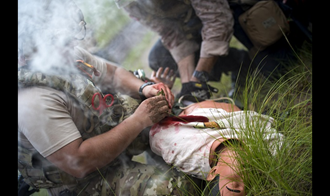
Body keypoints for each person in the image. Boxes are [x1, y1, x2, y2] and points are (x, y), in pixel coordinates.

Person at [18, 0, 202, 195]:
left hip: (103, 137)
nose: (73, 43)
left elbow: (112, 74)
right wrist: (139, 121)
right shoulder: (32, 101)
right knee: (177, 190)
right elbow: (79, 162)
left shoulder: (63, 55)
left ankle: (174, 161)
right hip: (84, 182)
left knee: (160, 115)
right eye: (62, 38)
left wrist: (145, 88)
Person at [116, 0, 311, 100]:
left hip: (230, 8)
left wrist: (199, 76)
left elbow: (217, 20)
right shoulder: (128, 3)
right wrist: (189, 86)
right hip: (193, 18)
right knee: (160, 57)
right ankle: (239, 63)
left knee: (281, 69)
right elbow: (171, 34)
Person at [148, 97, 284, 195]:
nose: (245, 178)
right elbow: (238, 113)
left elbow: (159, 134)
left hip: (173, 115)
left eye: (234, 184)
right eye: (249, 185)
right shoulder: (272, 146)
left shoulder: (185, 149)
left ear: (213, 173)